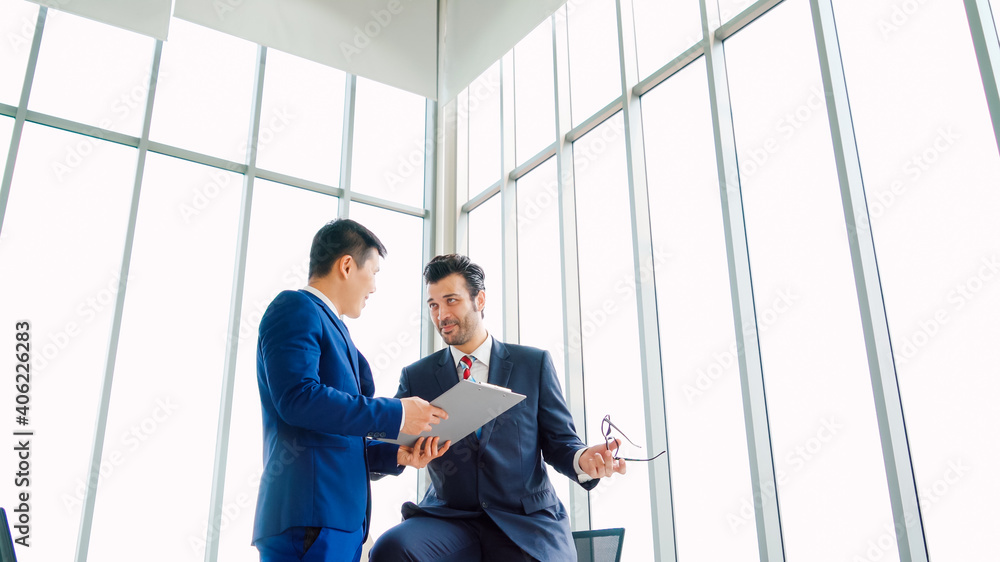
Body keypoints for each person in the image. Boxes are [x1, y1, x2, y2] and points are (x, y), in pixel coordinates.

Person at [370, 254, 626, 562]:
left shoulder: (533, 365)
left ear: (479, 299)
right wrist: (395, 455)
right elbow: (390, 443)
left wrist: (584, 459)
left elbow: (560, 443)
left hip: (524, 521)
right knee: (390, 549)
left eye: (451, 301)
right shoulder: (417, 377)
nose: (441, 315)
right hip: (449, 519)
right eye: (434, 305)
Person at [252, 219, 450, 562]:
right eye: (372, 272)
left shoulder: (336, 330)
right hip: (311, 519)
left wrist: (397, 455)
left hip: (336, 523)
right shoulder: (296, 309)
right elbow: (298, 399)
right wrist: (398, 412)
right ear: (347, 265)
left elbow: (341, 435)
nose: (373, 287)